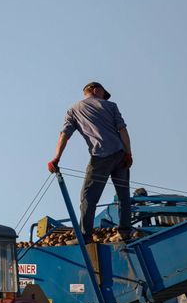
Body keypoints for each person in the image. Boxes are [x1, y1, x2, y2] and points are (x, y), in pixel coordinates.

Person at [47, 82, 133, 242]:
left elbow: (64, 135)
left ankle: (85, 237)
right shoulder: (111, 106)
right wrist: (128, 153)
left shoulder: (74, 110)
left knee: (88, 198)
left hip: (100, 156)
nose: (104, 98)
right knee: (123, 195)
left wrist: (57, 157)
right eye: (103, 94)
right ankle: (125, 232)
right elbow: (123, 130)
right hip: (120, 154)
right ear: (95, 90)